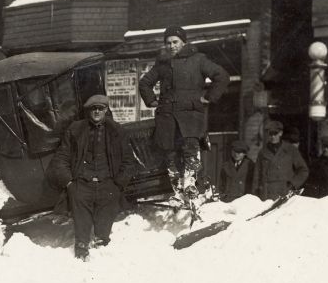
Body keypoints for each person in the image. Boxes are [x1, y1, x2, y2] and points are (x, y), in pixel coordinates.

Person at [138, 25, 229, 203]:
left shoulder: (199, 60)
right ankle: (178, 191)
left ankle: (191, 187)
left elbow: (222, 76)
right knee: (170, 155)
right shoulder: (162, 64)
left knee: (190, 151)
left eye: (175, 42)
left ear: (184, 42)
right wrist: (152, 101)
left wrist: (209, 97)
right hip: (167, 118)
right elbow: (144, 83)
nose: (171, 46)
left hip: (190, 117)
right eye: (168, 43)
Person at [47, 94, 136, 261]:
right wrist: (69, 182)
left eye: (100, 108)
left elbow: (128, 161)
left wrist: (118, 184)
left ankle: (102, 249)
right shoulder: (75, 129)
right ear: (88, 111)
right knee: (81, 220)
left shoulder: (117, 131)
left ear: (106, 110)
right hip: (81, 183)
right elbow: (61, 158)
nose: (97, 111)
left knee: (104, 226)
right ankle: (81, 251)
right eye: (93, 109)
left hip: (108, 183)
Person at [253, 120, 309, 201]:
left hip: (284, 192)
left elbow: (303, 170)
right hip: (266, 194)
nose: (273, 137)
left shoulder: (290, 150)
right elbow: (256, 175)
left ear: (280, 133)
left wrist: (293, 184)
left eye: (275, 133)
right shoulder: (263, 152)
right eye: (270, 134)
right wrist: (255, 196)